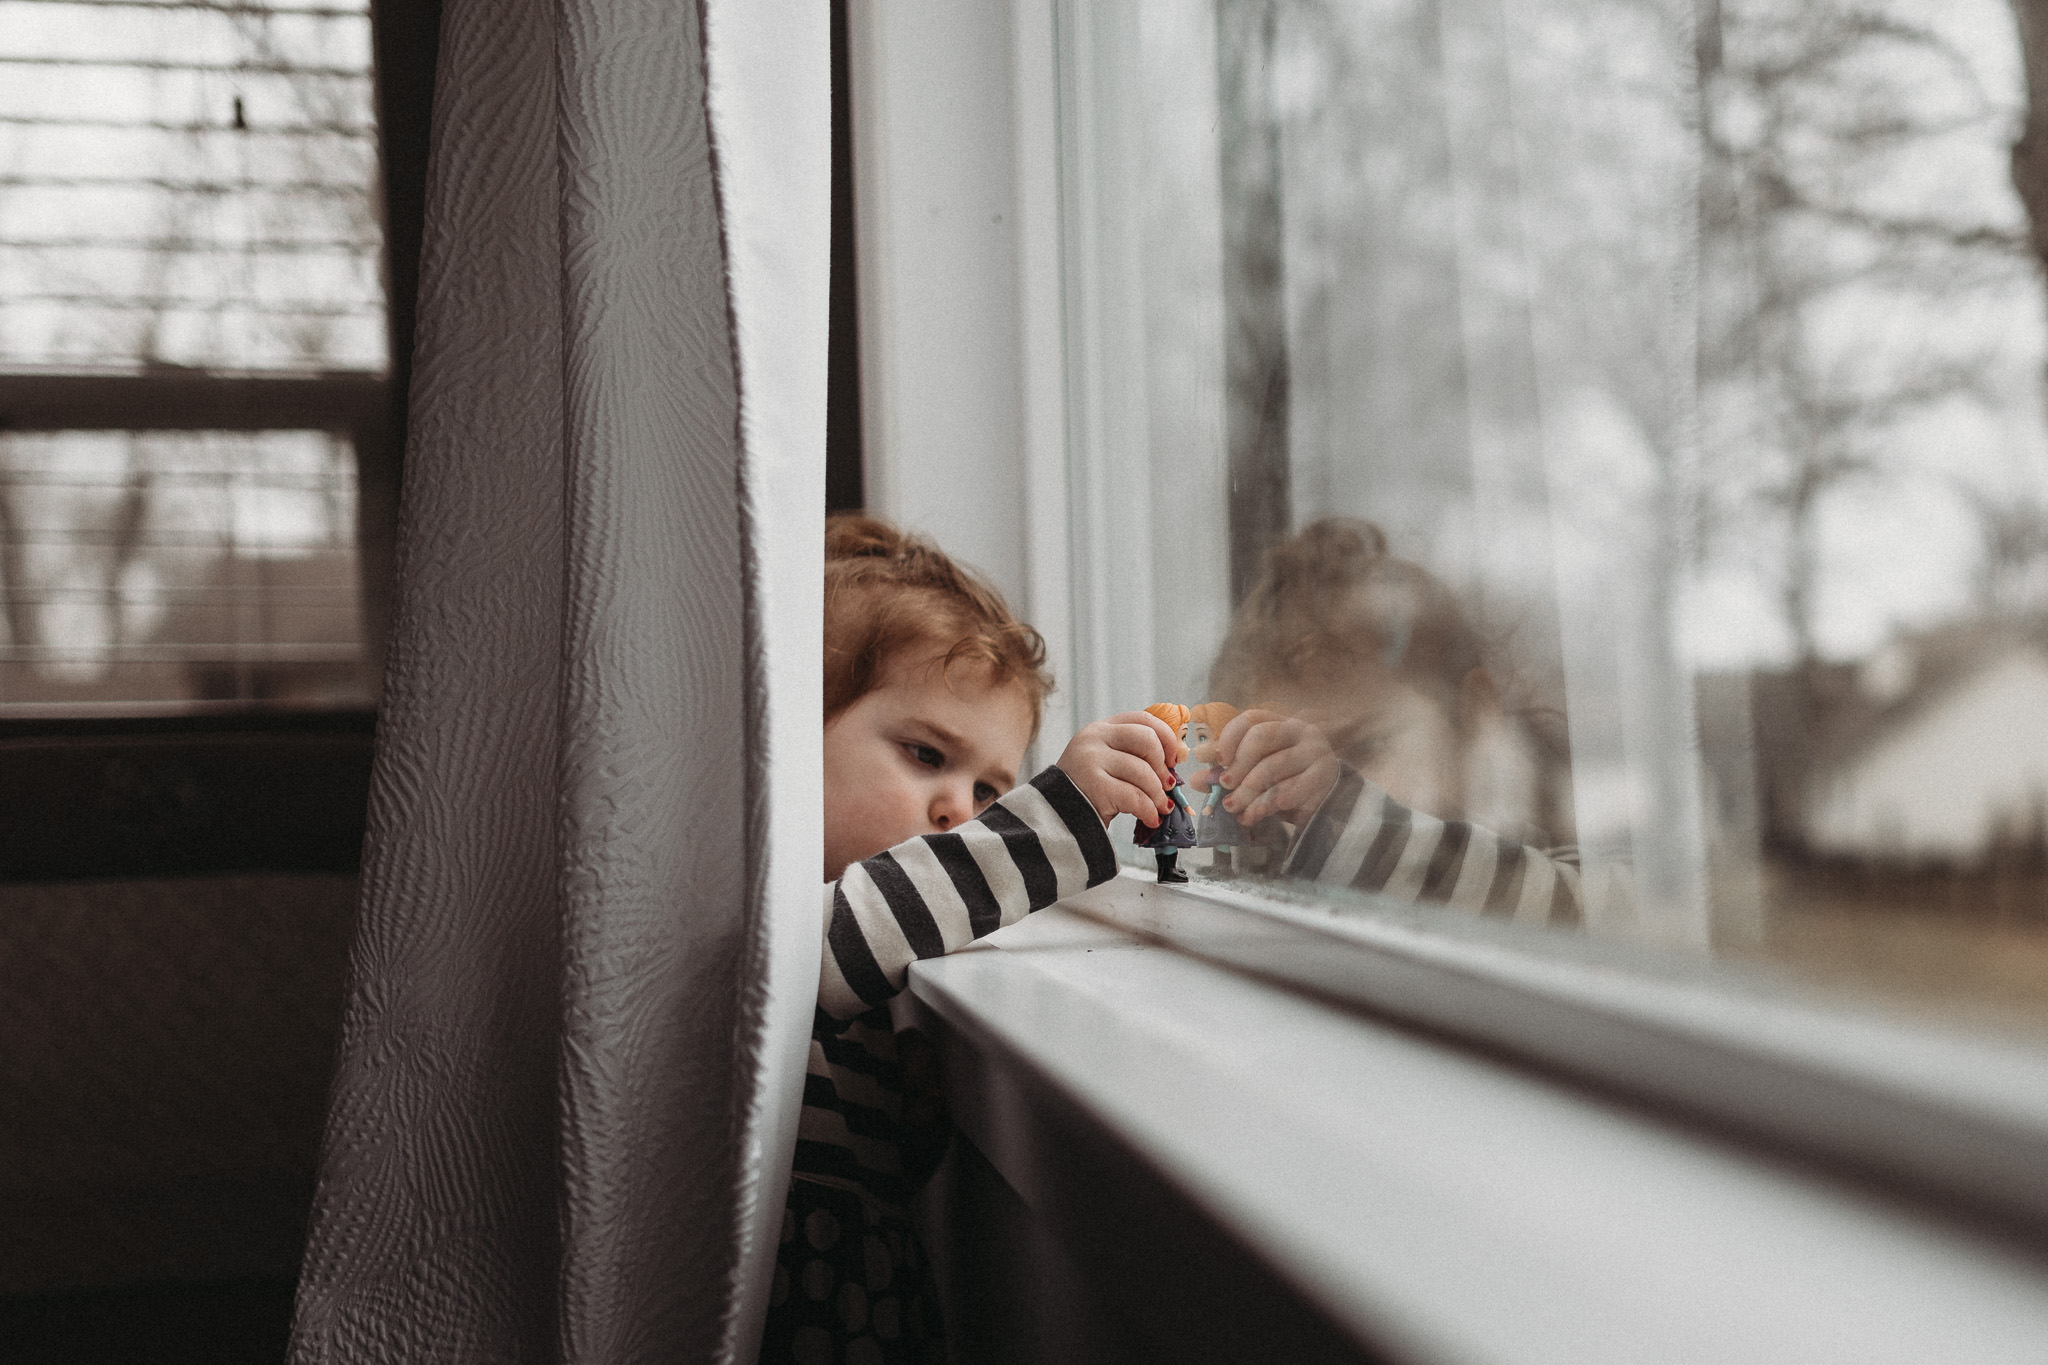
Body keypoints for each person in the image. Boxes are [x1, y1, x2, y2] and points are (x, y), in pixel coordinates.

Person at [765, 516, 1183, 1365]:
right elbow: (850, 932)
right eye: (926, 753)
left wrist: (904, 1130)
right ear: (780, 734)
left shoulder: (869, 958)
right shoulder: (764, 927)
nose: (962, 807)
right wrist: (1058, 813)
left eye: (994, 787)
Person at [1206, 519, 1582, 922]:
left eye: (1362, 748)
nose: (1299, 798)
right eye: (1273, 774)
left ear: (1475, 717)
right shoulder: (1298, 896)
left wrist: (1337, 806)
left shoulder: (1560, 882)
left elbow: (1569, 902)